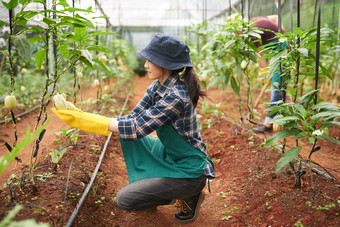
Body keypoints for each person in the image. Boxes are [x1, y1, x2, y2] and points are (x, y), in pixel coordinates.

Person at [52, 34, 216, 224]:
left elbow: (137, 127)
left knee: (126, 199)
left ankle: (190, 193)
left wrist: (84, 121)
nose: (146, 65)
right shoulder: (156, 87)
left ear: (165, 64)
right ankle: (167, 187)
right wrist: (81, 113)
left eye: (150, 60)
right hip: (171, 155)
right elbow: (132, 118)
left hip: (190, 169)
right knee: (127, 135)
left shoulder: (176, 96)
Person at [251, 15, 287, 133]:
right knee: (280, 85)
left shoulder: (251, 32)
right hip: (284, 46)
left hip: (283, 49)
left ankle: (268, 124)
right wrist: (282, 32)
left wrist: (266, 72)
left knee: (276, 86)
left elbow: (259, 55)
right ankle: (277, 119)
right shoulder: (254, 20)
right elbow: (277, 17)